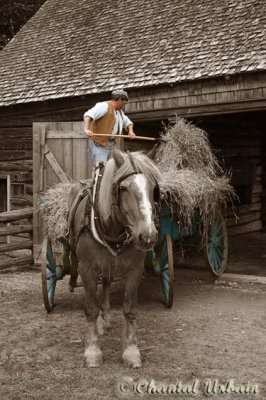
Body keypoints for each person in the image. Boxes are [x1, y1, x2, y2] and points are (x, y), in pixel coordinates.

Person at [84, 89, 136, 166]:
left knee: (111, 168)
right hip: (99, 144)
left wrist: (130, 131)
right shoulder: (103, 106)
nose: (124, 104)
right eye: (124, 102)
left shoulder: (119, 112)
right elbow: (88, 115)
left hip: (111, 144)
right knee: (100, 168)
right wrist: (86, 129)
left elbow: (128, 122)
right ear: (119, 99)